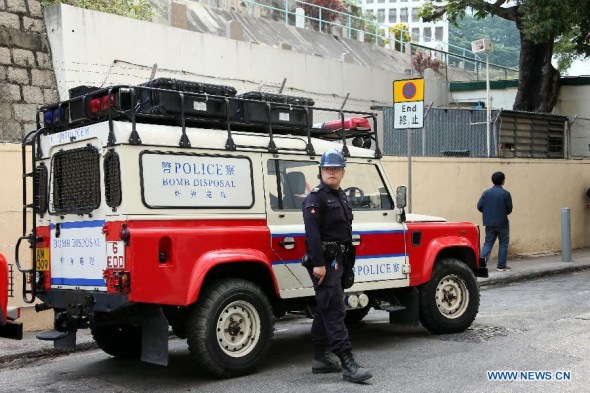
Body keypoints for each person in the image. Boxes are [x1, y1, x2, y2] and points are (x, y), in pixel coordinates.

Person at [301, 149, 372, 383]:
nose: (331, 172)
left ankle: (321, 358)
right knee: (334, 309)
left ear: (342, 172)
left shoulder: (340, 196)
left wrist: (348, 264)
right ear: (321, 171)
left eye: (336, 169)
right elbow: (311, 235)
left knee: (325, 308)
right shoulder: (316, 198)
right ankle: (347, 363)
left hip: (338, 261)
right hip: (324, 262)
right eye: (327, 169)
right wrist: (319, 265)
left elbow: (346, 232)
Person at [477, 171, 513, 272]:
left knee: (488, 243)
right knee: (503, 243)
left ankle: (481, 265)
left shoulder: (486, 193)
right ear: (502, 181)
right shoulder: (506, 194)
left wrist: (488, 212)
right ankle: (501, 266)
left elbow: (479, 206)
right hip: (502, 223)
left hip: (489, 223)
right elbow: (509, 210)